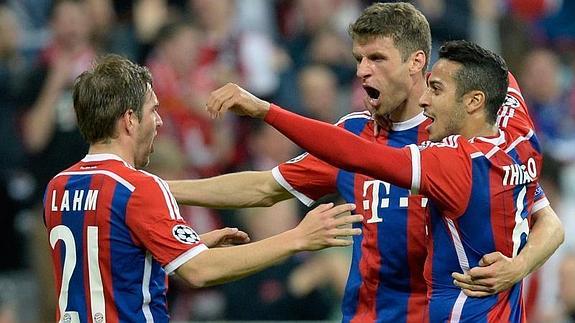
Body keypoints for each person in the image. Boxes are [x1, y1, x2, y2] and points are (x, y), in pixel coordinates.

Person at [169, 3, 563, 322]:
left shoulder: (461, 143)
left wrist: (520, 266)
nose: (362, 71)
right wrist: (164, 188)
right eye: (358, 59)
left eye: (377, 58)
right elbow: (263, 187)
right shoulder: (352, 133)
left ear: (416, 63)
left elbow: (545, 218)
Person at [42, 54, 363, 322]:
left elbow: (107, 262)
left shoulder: (57, 187)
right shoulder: (138, 188)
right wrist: (298, 238)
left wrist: (187, 245)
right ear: (129, 120)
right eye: (153, 110)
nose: (160, 122)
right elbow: (199, 272)